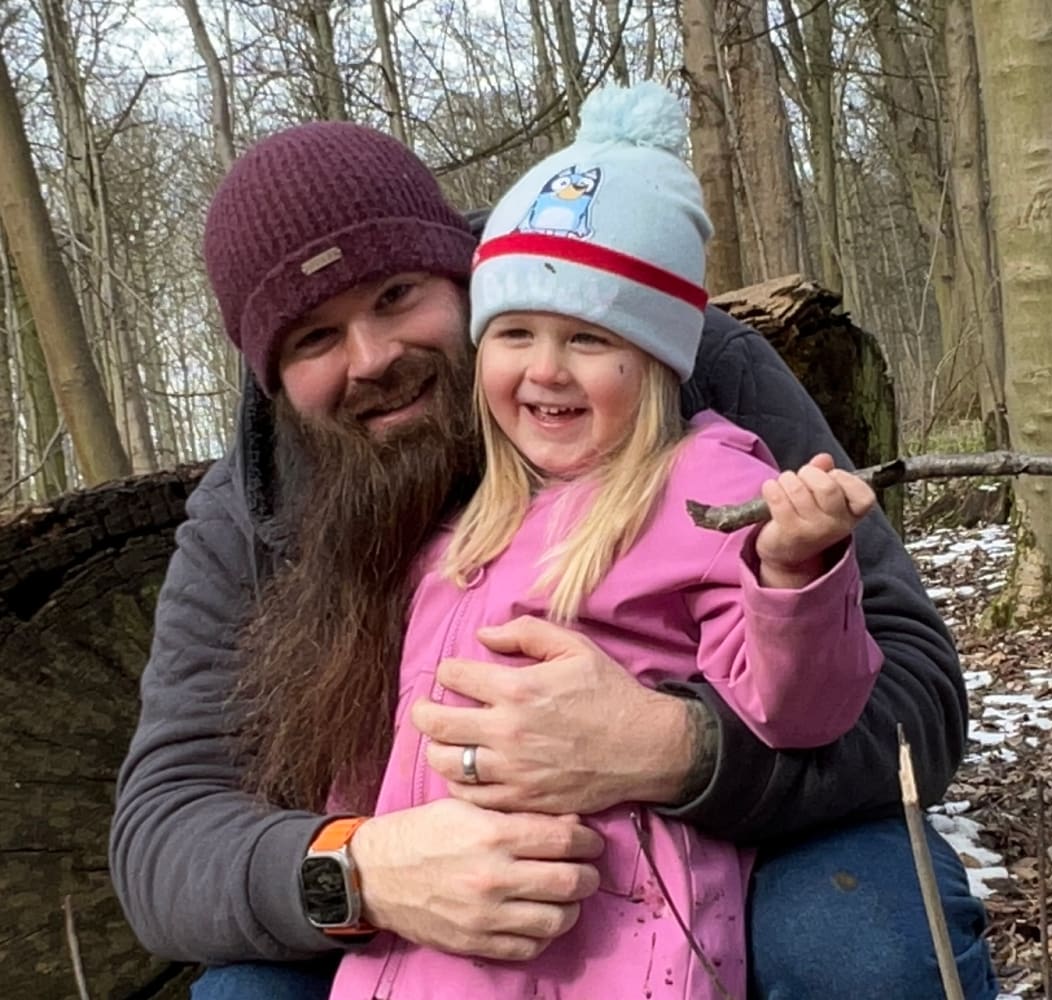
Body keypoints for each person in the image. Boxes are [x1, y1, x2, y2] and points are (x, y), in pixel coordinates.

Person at [108, 99, 997, 1000]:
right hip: (426, 910)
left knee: (862, 942)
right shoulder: (252, 515)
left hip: (730, 840)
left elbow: (916, 688)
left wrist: (676, 748)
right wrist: (365, 869)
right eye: (315, 337)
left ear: (460, 275)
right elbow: (162, 830)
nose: (373, 356)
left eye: (395, 296)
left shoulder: (660, 354)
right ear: (271, 375)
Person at [327, 81, 884, 1000]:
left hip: (606, 947)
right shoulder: (464, 531)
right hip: (431, 952)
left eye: (590, 338)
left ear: (658, 360)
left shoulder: (709, 491)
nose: (545, 369)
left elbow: (802, 712)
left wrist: (796, 571)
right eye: (514, 333)